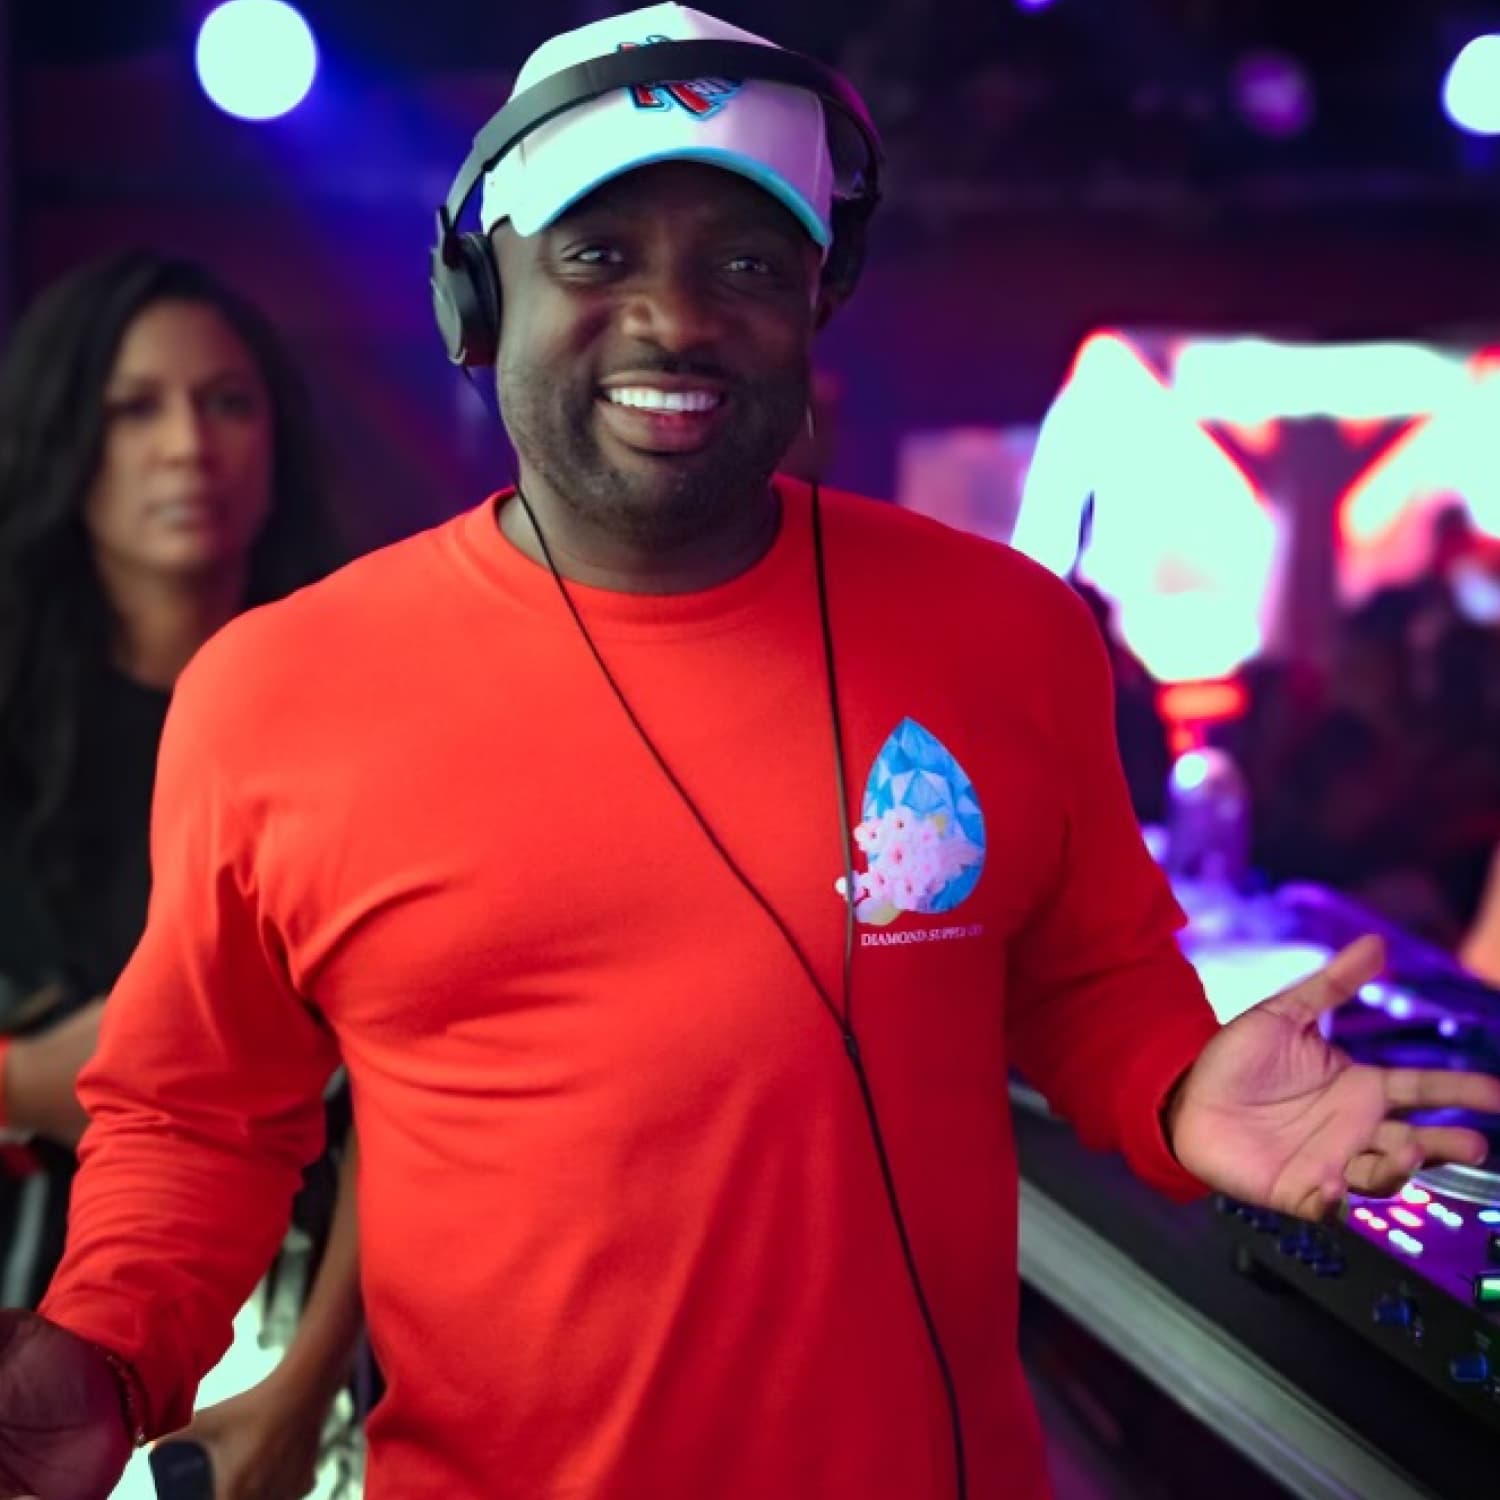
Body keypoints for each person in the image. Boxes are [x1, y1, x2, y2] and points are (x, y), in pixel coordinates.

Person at [3, 9, 1498, 1499]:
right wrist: (110, 1350)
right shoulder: (282, 689)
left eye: (748, 265)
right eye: (599, 254)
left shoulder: (1006, 632)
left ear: (818, 303)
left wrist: (1180, 1086)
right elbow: (197, 1119)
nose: (676, 319)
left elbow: (1086, 980)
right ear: (479, 295)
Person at [0, 251, 361, 1498]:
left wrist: (307, 1379)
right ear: (64, 435)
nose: (187, 448)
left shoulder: (366, 694)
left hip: (337, 1313)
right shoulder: (14, 719)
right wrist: (17, 1082)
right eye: (133, 408)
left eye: (227, 403)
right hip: (46, 1300)